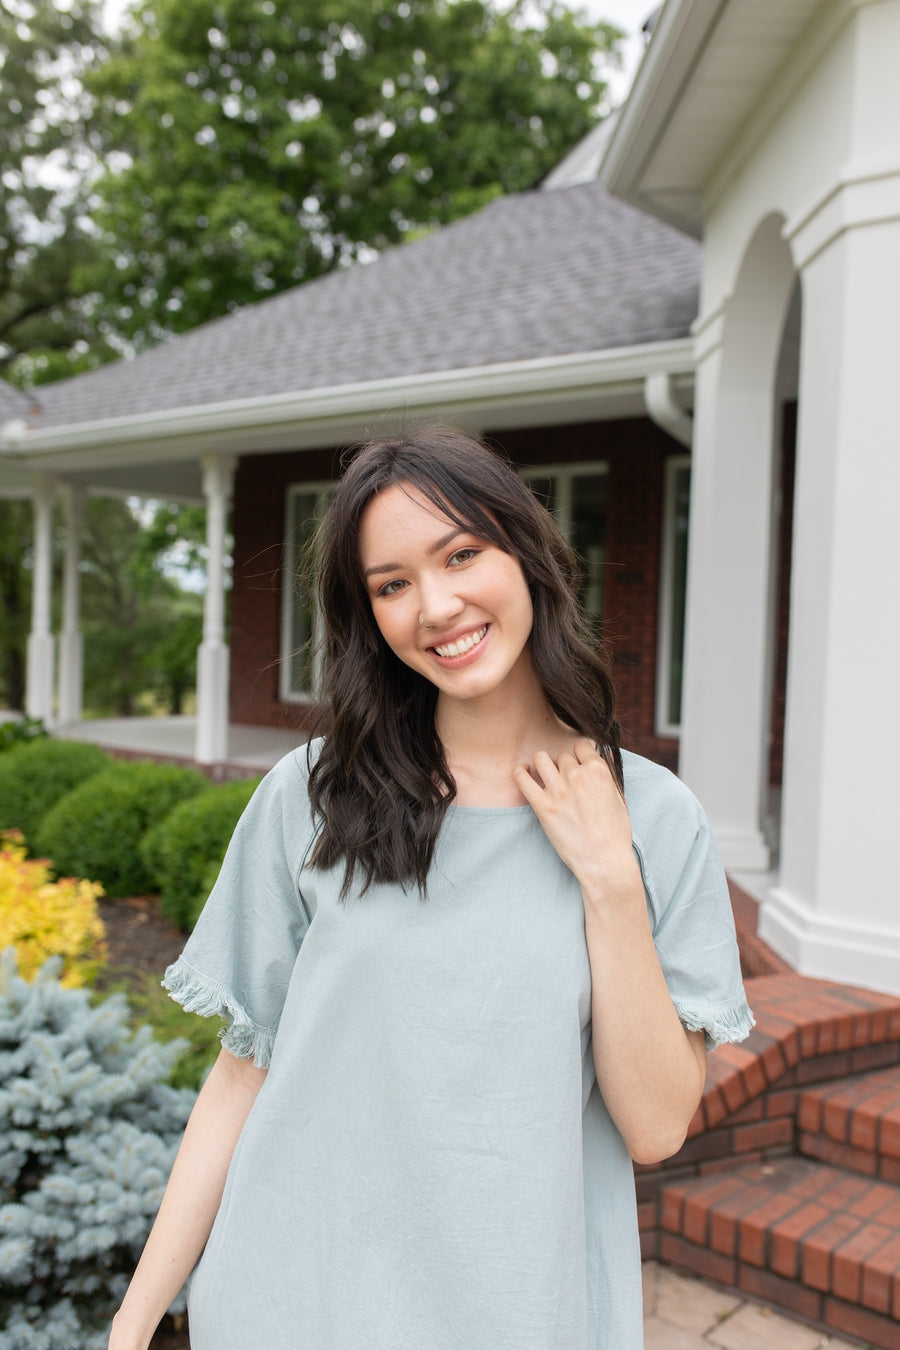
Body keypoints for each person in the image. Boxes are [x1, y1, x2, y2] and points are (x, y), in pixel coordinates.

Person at [108, 426, 753, 1350]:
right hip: (290, 1302)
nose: (437, 605)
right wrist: (132, 1329)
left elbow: (654, 1127)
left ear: (526, 555)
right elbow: (240, 1078)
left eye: (462, 554)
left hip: (518, 1314)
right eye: (392, 584)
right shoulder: (312, 794)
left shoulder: (655, 819)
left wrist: (610, 879)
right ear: (369, 615)